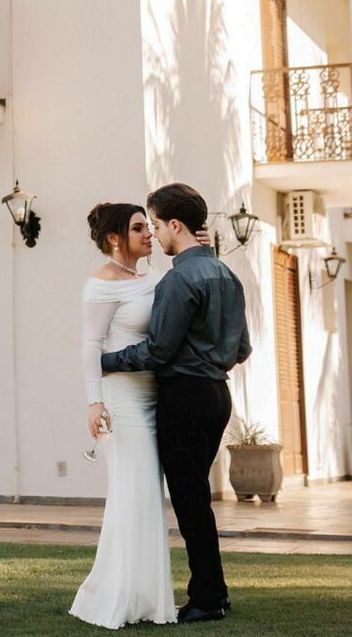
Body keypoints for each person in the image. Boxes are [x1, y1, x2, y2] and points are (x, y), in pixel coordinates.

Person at [100, 183, 251, 624]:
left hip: (184, 397)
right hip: (217, 396)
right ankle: (213, 592)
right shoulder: (227, 275)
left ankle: (208, 599)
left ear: (175, 225)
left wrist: (105, 360)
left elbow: (157, 351)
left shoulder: (179, 279)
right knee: (195, 498)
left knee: (190, 502)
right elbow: (242, 348)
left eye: (156, 225)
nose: (154, 235)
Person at [70, 202, 177, 629]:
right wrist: (93, 401)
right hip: (122, 401)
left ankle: (148, 597)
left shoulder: (153, 277)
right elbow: (90, 345)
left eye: (149, 227)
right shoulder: (100, 284)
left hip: (156, 395)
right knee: (132, 493)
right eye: (138, 228)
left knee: (150, 496)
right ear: (115, 238)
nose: (149, 234)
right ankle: (115, 596)